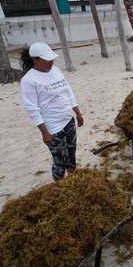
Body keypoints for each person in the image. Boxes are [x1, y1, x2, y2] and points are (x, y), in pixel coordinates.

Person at [20, 42, 84, 181]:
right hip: (53, 128)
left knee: (71, 154)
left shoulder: (55, 70)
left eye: (52, 58)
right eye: (47, 59)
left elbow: (68, 92)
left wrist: (77, 113)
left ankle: (73, 180)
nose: (51, 61)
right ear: (35, 60)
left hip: (68, 120)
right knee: (60, 161)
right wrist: (45, 133)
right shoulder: (29, 80)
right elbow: (32, 108)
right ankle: (59, 186)